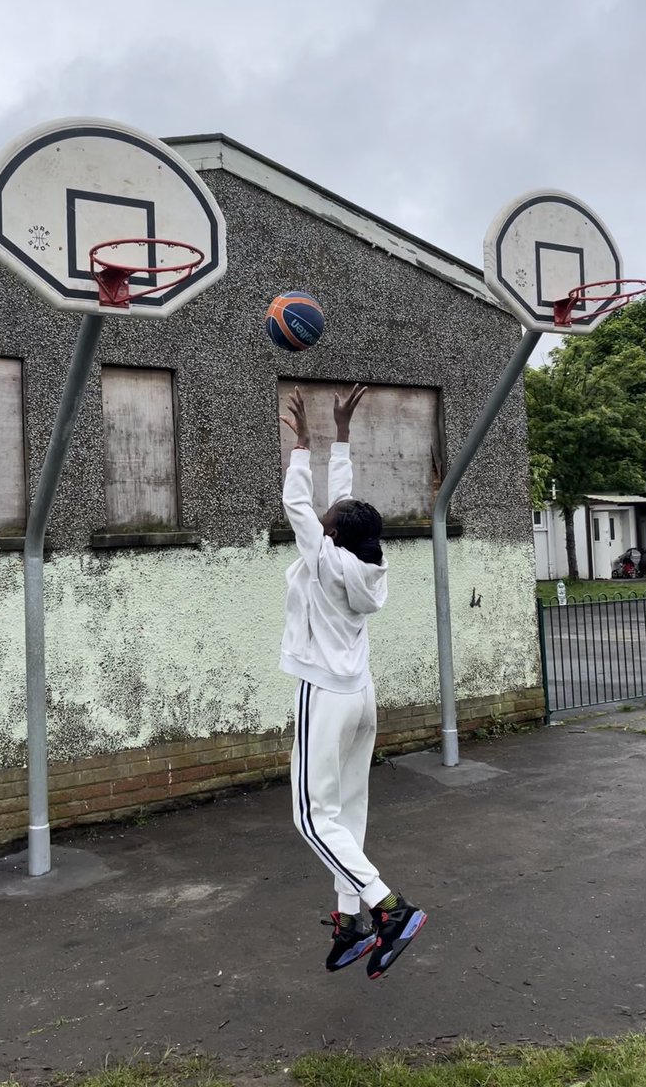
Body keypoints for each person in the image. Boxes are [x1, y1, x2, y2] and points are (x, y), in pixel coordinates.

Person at [279, 383, 427, 980]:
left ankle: (388, 909)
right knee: (348, 812)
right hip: (361, 696)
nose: (323, 514)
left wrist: (302, 447)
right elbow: (342, 503)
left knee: (312, 818)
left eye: (327, 520)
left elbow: (298, 508)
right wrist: (341, 438)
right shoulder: (363, 562)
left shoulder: (324, 558)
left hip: (327, 695)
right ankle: (351, 922)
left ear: (331, 534)